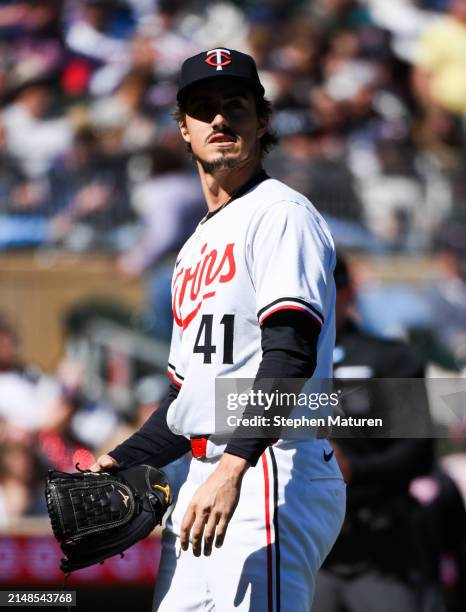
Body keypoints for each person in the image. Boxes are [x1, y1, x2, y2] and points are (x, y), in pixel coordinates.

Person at [91, 48, 346, 611]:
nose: (220, 120)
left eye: (236, 106)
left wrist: (233, 467)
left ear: (263, 121)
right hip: (205, 475)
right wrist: (121, 459)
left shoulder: (281, 214)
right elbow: (189, 398)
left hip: (267, 466)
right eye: (203, 109)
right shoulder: (194, 247)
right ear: (183, 129)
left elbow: (290, 352)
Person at [312, 254, 437, 612]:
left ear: (348, 291)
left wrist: (354, 470)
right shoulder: (269, 364)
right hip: (305, 544)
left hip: (378, 545)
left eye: (327, 291)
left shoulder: (392, 358)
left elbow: (419, 454)